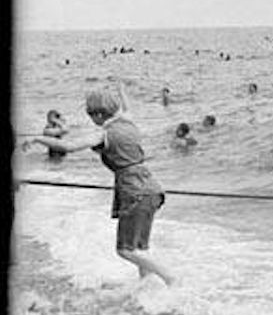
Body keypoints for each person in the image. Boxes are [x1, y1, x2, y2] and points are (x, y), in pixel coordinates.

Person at [20, 88, 176, 284]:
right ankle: (146, 287)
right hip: (152, 188)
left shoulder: (104, 134)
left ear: (98, 114)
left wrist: (37, 138)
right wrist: (121, 90)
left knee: (125, 250)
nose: (91, 119)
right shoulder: (129, 122)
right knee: (140, 248)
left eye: (91, 114)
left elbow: (67, 147)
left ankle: (170, 278)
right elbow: (127, 107)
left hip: (133, 190)